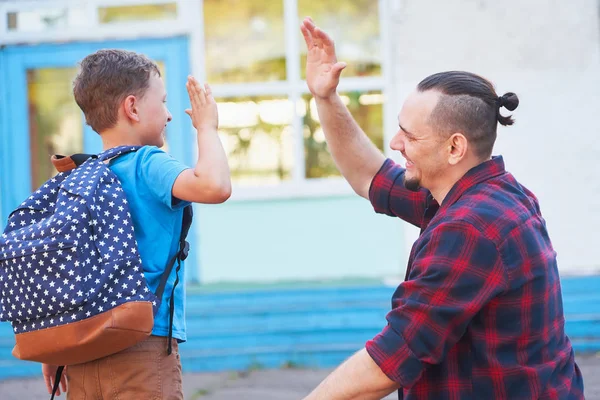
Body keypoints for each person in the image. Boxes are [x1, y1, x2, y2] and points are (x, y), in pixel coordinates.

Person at [300, 17, 584, 400]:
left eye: (410, 135)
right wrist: (325, 97)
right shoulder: (484, 194)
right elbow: (368, 175)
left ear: (454, 148)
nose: (396, 143)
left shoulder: (470, 227)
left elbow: (391, 360)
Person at [40, 49, 231, 399]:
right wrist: (207, 127)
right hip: (141, 348)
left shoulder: (80, 175)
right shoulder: (146, 163)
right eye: (163, 101)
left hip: (81, 348)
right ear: (132, 107)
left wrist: (57, 347)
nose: (171, 115)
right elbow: (215, 186)